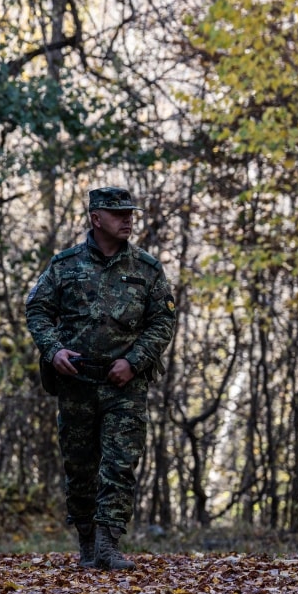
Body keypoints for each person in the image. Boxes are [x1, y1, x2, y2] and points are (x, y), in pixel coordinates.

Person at [25, 187, 176, 570]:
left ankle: (109, 544)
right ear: (96, 218)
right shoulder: (65, 265)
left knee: (120, 463)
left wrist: (135, 361)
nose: (128, 219)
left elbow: (163, 321)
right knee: (80, 466)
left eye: (130, 213)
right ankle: (88, 544)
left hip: (124, 383)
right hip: (77, 382)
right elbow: (38, 310)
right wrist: (53, 350)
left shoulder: (147, 268)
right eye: (118, 213)